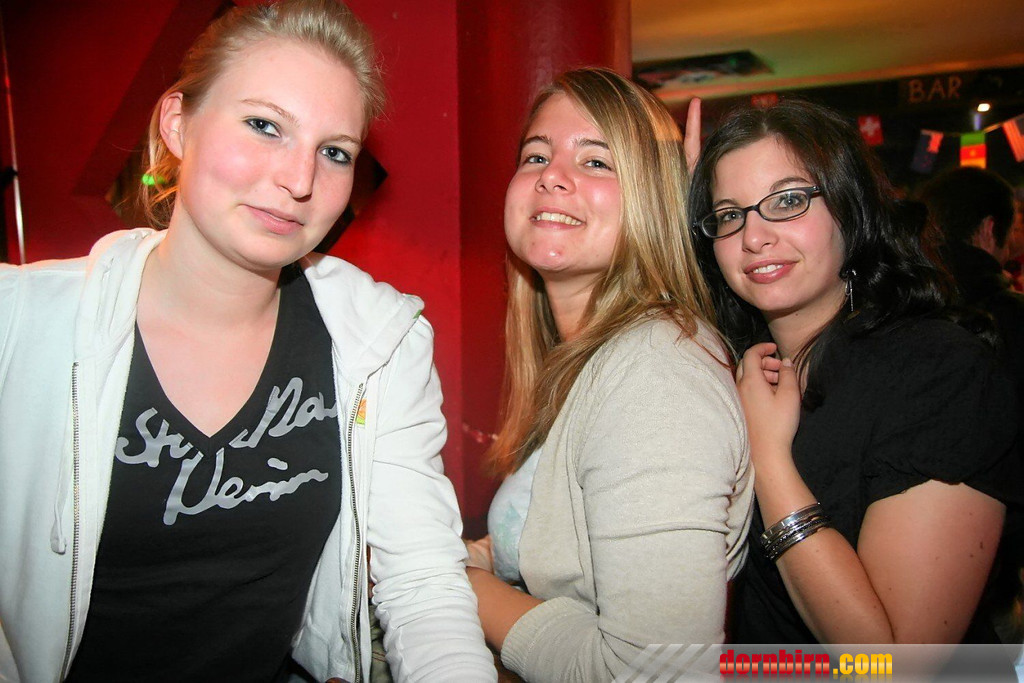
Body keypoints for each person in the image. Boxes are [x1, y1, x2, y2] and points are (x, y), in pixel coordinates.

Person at [0, 1, 495, 681]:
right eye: (265, 125)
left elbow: (423, 585)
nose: (299, 180)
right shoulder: (20, 325)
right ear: (178, 124)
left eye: (334, 152)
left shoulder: (379, 343)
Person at [687, 98, 1022, 645]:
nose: (753, 236)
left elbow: (895, 667)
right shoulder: (732, 364)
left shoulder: (937, 370)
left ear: (851, 209)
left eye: (788, 200)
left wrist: (768, 459)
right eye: (730, 214)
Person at [464, 68, 754, 682]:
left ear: (651, 197)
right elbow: (564, 542)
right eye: (536, 155)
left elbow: (657, 672)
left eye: (596, 161)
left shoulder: (657, 376)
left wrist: (457, 583)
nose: (551, 175)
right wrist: (482, 555)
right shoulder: (590, 359)